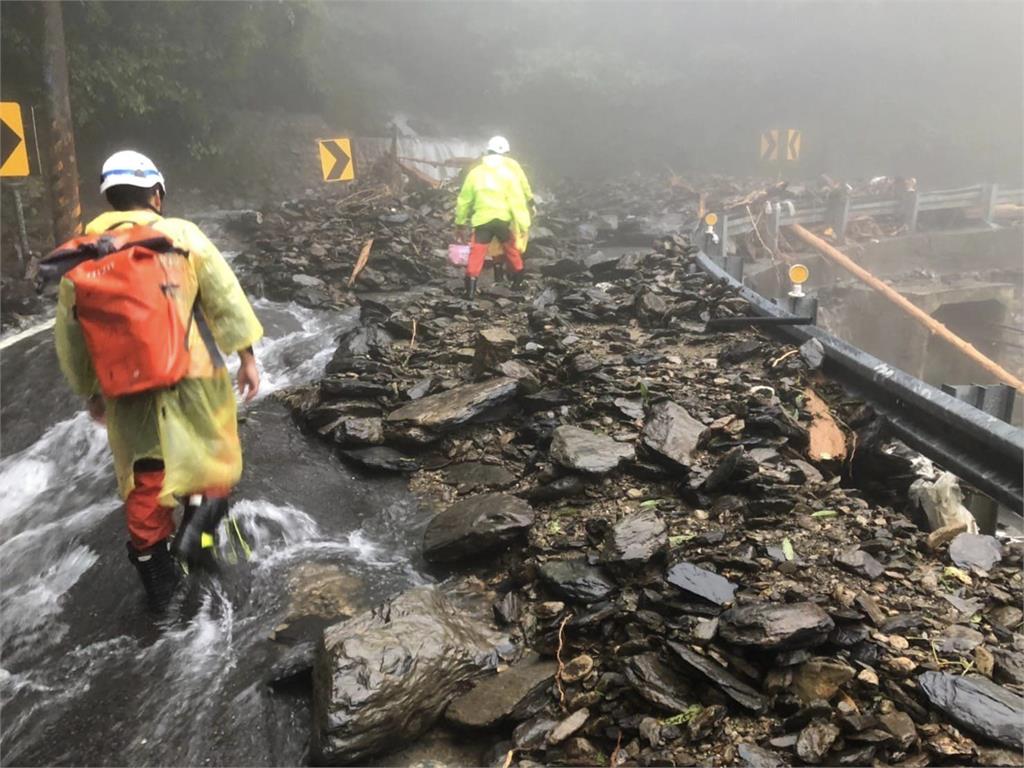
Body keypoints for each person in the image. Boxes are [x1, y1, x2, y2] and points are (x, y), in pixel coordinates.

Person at [52, 150, 264, 611]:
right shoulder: (182, 235)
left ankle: (161, 589)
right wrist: (246, 355)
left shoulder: (84, 254)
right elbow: (224, 296)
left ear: (107, 198)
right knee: (212, 457)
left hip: (125, 386)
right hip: (193, 375)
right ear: (157, 194)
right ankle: (199, 535)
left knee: (146, 473)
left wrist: (91, 389)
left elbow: (71, 334)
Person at [454, 136, 532, 299]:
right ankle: (518, 281)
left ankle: (470, 290)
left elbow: (464, 200)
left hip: (482, 220)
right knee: (511, 249)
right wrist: (524, 224)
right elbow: (517, 201)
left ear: (487, 151)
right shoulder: (509, 173)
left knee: (477, 253)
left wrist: (460, 222)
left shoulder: (475, 173)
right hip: (503, 219)